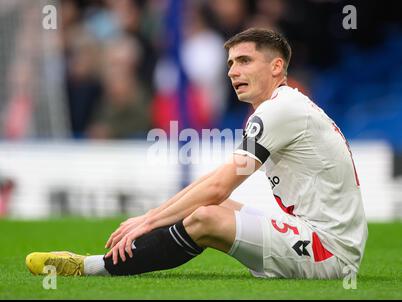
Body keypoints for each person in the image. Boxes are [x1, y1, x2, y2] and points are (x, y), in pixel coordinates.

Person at [26, 28, 368, 279]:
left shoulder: (281, 109)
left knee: (206, 217)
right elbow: (214, 182)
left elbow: (220, 186)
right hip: (311, 233)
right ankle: (96, 261)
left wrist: (147, 221)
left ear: (277, 67)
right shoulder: (282, 107)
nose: (233, 71)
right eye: (231, 63)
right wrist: (155, 214)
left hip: (330, 252)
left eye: (245, 60)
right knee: (207, 206)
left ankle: (91, 268)